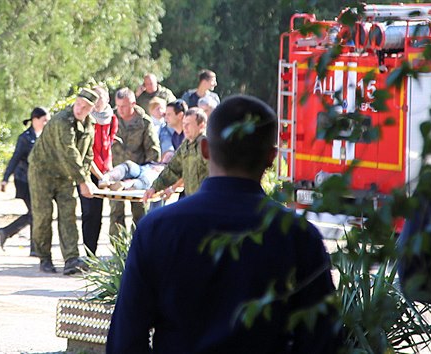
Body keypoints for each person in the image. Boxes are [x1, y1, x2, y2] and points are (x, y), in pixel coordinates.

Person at [107, 95, 338, 353]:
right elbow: (322, 341)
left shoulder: (157, 229)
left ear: (205, 149)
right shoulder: (299, 237)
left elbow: (125, 341)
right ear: (272, 157)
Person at [28, 88, 99, 275]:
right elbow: (69, 151)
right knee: (43, 216)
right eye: (78, 104)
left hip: (66, 175)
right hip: (43, 172)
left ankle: (71, 259)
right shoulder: (62, 121)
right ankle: (44, 257)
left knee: (68, 216)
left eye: (85, 107)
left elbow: (87, 154)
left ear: (91, 109)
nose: (79, 109)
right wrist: (83, 181)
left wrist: (83, 175)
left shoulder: (90, 125)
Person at [110, 88, 161, 236]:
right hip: (115, 175)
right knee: (115, 215)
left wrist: (147, 175)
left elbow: (153, 151)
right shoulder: (111, 118)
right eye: (118, 105)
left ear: (133, 103)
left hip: (138, 175)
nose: (120, 109)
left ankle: (139, 246)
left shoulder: (144, 122)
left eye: (124, 106)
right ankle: (117, 252)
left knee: (139, 215)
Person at [0, 107, 50, 253]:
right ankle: (12, 234)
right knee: (35, 212)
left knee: (35, 212)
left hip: (38, 181)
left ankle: (8, 233)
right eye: (44, 120)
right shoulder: (25, 138)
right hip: (24, 180)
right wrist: (5, 178)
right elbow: (15, 158)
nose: (47, 123)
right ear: (35, 120)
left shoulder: (45, 136)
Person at [79, 85, 119, 256]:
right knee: (88, 213)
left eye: (99, 97)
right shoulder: (86, 119)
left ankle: (92, 255)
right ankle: (87, 254)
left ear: (107, 99)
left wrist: (108, 173)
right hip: (88, 171)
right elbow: (86, 154)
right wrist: (99, 174)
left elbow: (108, 146)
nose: (96, 102)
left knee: (98, 214)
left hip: (104, 173)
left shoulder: (112, 119)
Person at [143, 108, 209, 201]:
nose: (185, 128)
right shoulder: (186, 145)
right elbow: (172, 169)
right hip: (192, 200)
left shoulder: (207, 145)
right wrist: (154, 188)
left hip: (207, 200)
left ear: (201, 125)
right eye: (184, 124)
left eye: (188, 124)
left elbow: (219, 175)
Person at [98, 151, 174, 191]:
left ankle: (123, 185)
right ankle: (106, 178)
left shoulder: (172, 170)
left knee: (144, 181)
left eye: (172, 156)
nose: (169, 157)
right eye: (168, 155)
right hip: (142, 168)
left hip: (155, 175)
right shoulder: (153, 162)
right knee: (128, 165)